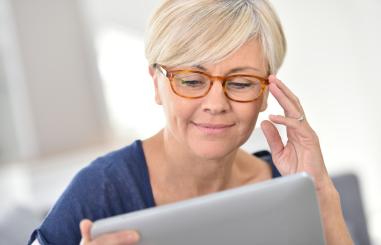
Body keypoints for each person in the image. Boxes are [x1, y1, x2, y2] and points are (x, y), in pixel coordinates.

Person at [29, 0, 353, 244]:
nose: (216, 105)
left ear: (266, 93)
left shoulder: (285, 186)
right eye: (192, 81)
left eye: (241, 83)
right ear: (156, 84)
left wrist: (321, 191)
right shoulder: (101, 189)